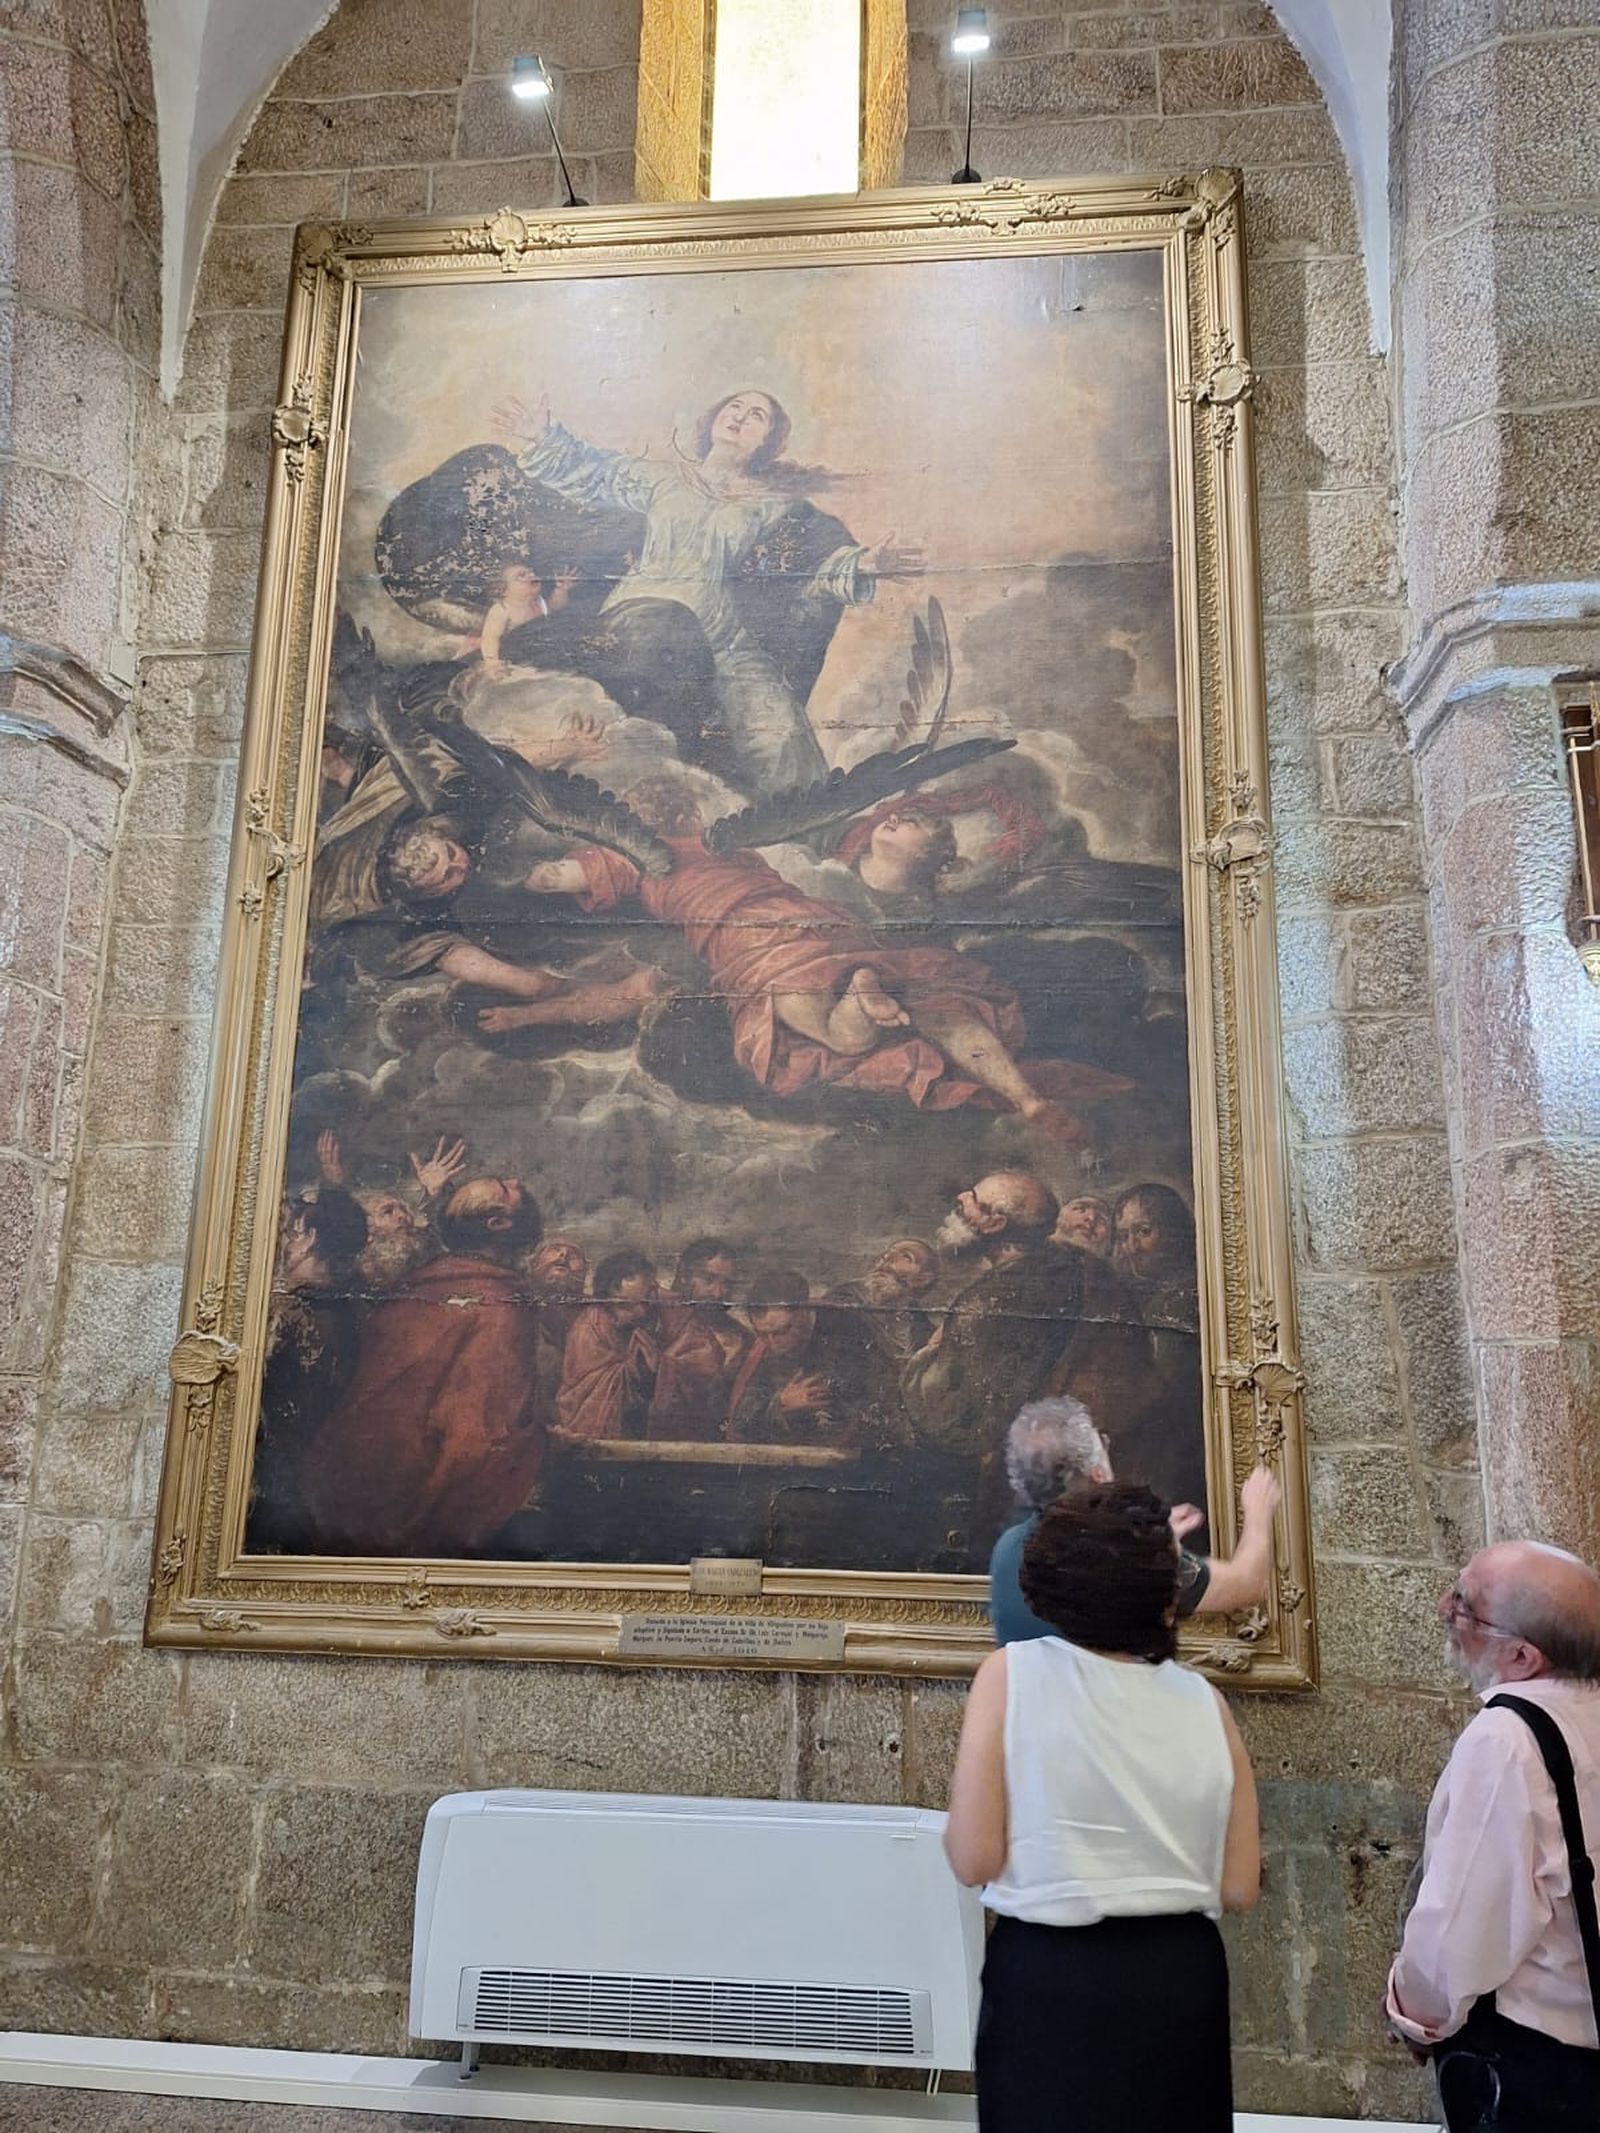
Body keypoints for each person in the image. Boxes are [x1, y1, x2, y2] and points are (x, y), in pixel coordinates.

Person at [945, 1482, 1260, 2131]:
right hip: (1180, 1979)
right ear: (1164, 1596)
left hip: (1053, 1979)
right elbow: (1239, 1885)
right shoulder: (1206, 1702)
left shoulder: (1009, 1675)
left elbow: (973, 1858)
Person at [492, 385, 924, 793]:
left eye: (756, 416)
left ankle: (799, 829)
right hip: (643, 613)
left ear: (768, 442)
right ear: (714, 418)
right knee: (660, 681)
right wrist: (543, 437)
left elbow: (808, 561)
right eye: (734, 407)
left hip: (722, 635)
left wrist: (863, 564)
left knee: (780, 733)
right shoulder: (665, 479)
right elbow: (595, 473)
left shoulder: (772, 507)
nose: (740, 417)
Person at [1385, 1541, 1600, 2128]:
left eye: (1464, 1604)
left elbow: (1457, 1929)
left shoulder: (1505, 1741)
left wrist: (1415, 2015)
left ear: (1523, 1656)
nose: (1443, 1609)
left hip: (1537, 2068)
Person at [297, 1176, 544, 1556]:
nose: (513, 1178)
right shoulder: (423, 1287)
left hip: (373, 1508)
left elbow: (477, 1436)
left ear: (498, 1223)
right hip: (376, 1510)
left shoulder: (492, 1304)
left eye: (508, 1187)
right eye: (505, 1184)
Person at [987, 1397, 1283, 1644]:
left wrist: (1154, 1537)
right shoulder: (1127, 1552)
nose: (1107, 1444)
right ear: (1097, 1473)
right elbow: (1246, 1585)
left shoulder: (1007, 1548)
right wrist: (1258, 1512)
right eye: (1102, 1441)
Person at [248, 1185, 369, 1552]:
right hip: (319, 1467)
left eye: (292, 1231)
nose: (286, 1240)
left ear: (311, 1238)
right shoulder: (354, 1309)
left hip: (279, 1467)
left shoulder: (288, 1312)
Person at [556, 1249, 662, 1440]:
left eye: (645, 1302)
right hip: (588, 1430)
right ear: (607, 1300)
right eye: (626, 1305)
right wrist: (634, 1369)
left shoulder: (646, 1325)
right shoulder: (589, 1328)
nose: (641, 1312)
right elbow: (584, 1389)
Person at [651, 1237, 748, 1440]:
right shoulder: (659, 1326)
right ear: (685, 1277)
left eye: (727, 1284)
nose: (718, 1293)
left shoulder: (745, 1339)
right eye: (709, 1280)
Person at [725, 1270, 836, 1443]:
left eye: (781, 1332)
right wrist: (780, 1404)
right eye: (762, 1334)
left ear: (803, 1312)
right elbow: (741, 1421)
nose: (772, 1343)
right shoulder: (760, 1353)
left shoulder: (841, 1334)